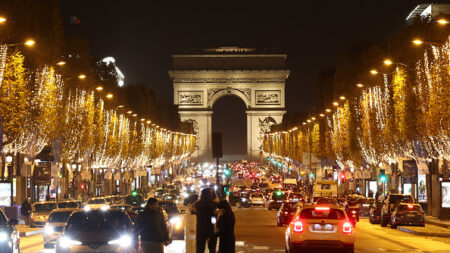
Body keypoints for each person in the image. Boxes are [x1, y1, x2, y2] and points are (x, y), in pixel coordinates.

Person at [190, 188, 218, 253]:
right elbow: (213, 216)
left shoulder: (198, 204)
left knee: (200, 247)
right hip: (211, 228)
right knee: (212, 248)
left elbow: (191, 209)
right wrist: (213, 223)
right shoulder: (214, 204)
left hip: (200, 228)